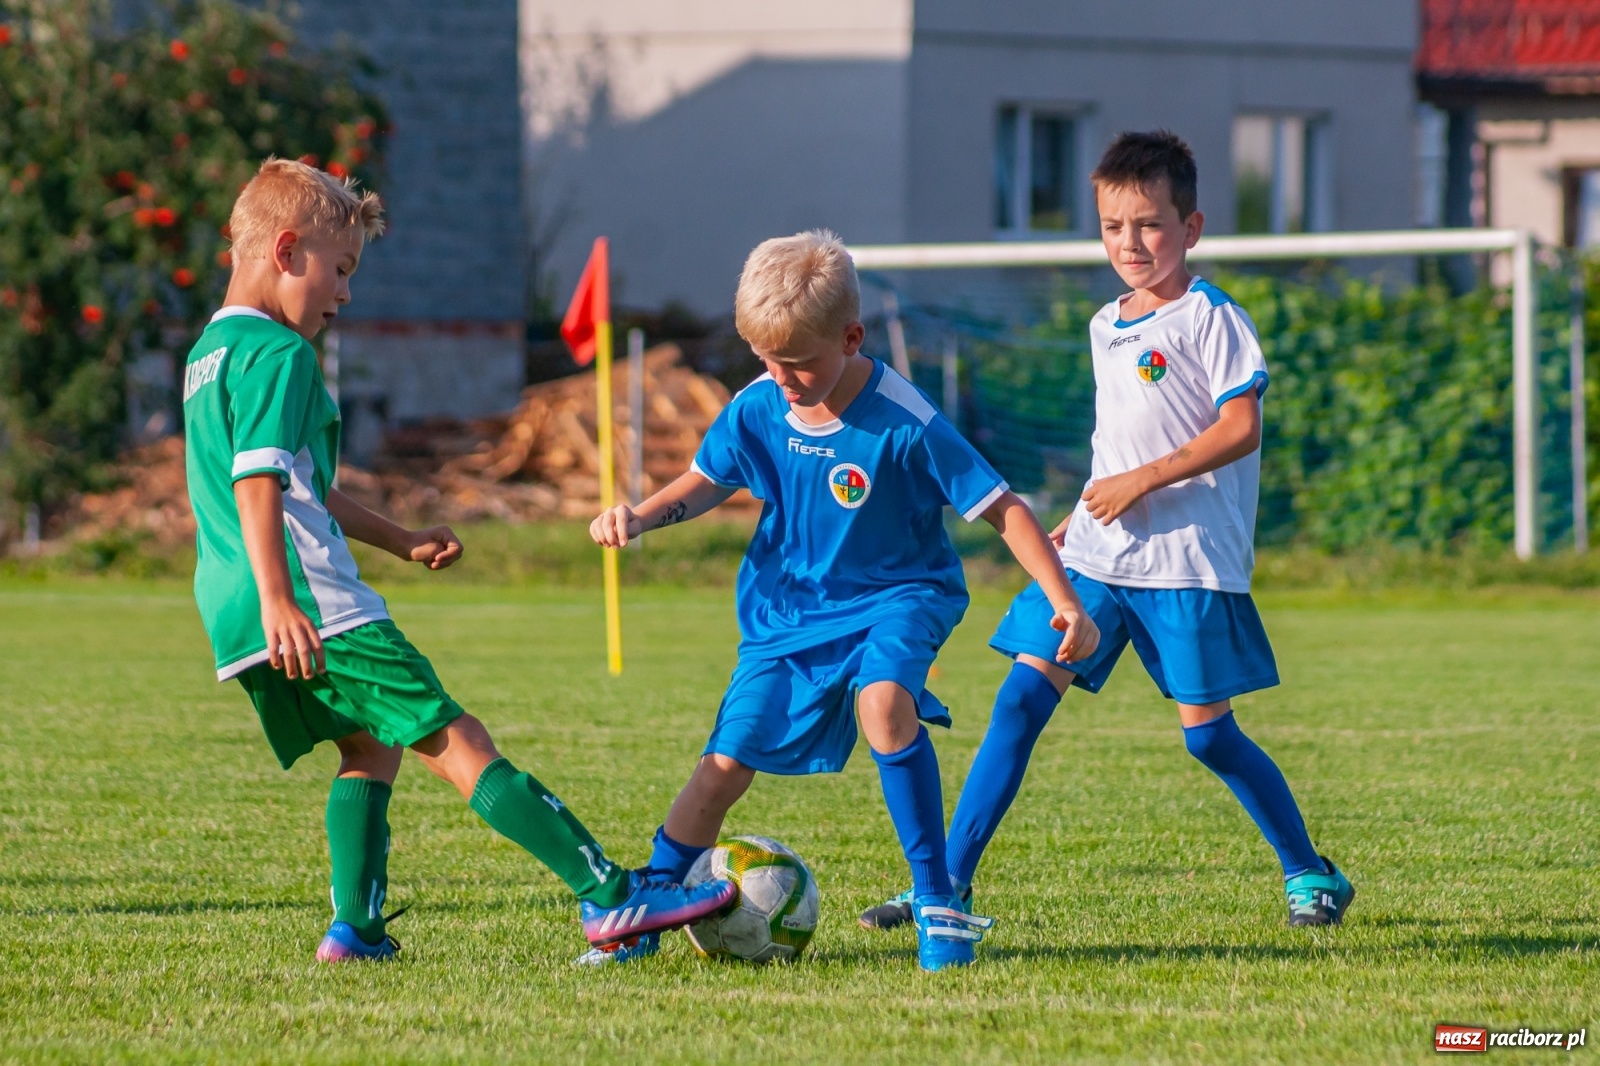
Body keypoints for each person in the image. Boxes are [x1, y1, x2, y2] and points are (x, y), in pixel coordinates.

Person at [182, 158, 735, 963]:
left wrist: (400, 540)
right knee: (455, 738)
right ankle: (611, 898)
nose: (344, 293)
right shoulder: (281, 355)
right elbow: (258, 481)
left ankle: (357, 931)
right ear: (287, 250)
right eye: (340, 271)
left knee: (369, 748)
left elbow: (297, 485)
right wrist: (281, 596)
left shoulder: (211, 352)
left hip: (231, 605)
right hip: (304, 599)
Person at [860, 130, 1355, 935]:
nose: (1131, 242)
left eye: (1150, 224)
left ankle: (1310, 872)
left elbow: (1240, 428)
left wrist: (1143, 480)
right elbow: (1119, 435)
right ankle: (943, 888)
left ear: (1189, 228)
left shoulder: (1211, 317)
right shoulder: (1104, 323)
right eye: (1113, 225)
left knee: (1210, 741)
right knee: (1019, 703)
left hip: (1186, 563)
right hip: (1099, 553)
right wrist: (1085, 508)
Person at [587, 230, 1100, 970]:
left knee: (884, 702)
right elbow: (708, 478)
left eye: (797, 363)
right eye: (766, 360)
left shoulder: (905, 418)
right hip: (788, 612)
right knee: (724, 765)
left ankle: (938, 900)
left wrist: (1064, 601)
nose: (781, 378)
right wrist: (641, 514)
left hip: (900, 593)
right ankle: (654, 899)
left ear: (852, 337)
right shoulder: (759, 405)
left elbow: (1004, 508)